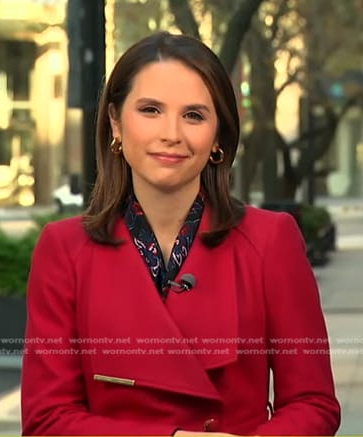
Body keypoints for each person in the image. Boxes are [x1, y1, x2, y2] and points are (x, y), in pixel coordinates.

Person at [21, 31, 340, 436]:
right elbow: (47, 420)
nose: (171, 133)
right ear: (115, 122)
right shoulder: (64, 250)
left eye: (194, 115)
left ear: (218, 136)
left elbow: (314, 405)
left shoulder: (270, 241)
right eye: (151, 110)